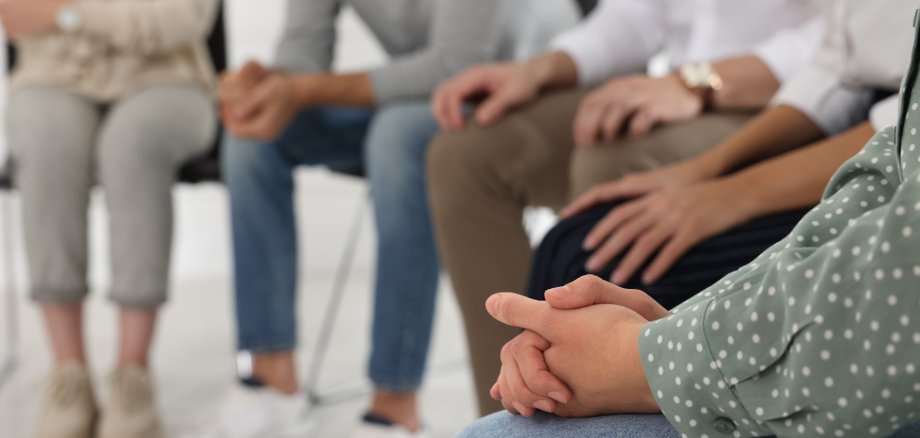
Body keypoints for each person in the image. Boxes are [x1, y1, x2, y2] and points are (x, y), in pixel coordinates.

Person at [458, 3, 920, 437]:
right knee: (569, 244)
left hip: (811, 126)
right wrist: (676, 323)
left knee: (592, 256)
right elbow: (880, 143)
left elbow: (894, 299)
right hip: (841, 123)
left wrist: (638, 358)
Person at [427, 0, 822, 414]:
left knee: (610, 163)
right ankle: (510, 407)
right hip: (679, 82)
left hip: (789, 99)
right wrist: (542, 67)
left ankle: (610, 397)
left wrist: (696, 82)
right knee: (465, 154)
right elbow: (638, 13)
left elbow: (854, 44)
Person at [208, 1, 578, 437]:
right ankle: (271, 382)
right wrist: (270, 84)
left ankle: (395, 404)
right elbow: (304, 52)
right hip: (422, 93)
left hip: (519, 88)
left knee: (398, 136)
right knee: (255, 135)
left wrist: (302, 88)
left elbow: (453, 63)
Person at [525, 0, 915, 309]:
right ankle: (522, 402)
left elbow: (904, 132)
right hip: (865, 126)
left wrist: (731, 195)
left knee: (594, 262)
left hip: (904, 185)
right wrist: (702, 172)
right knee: (567, 241)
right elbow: (836, 69)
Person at [1, 0, 218, 437]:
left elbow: (180, 19)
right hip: (52, 79)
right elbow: (18, 15)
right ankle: (69, 375)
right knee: (48, 144)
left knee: (131, 144)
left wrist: (68, 13)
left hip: (169, 81)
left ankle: (132, 376)